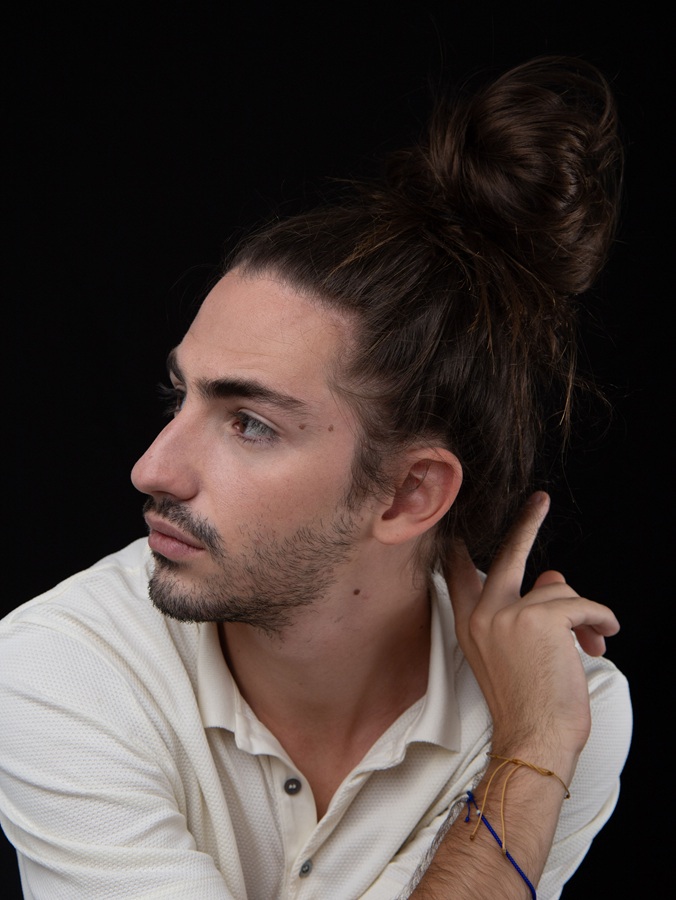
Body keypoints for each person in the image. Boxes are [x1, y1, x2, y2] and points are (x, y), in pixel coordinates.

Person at [0, 55, 632, 899]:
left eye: (250, 424)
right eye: (180, 396)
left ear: (409, 494)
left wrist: (538, 739)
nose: (152, 468)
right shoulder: (61, 669)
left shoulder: (562, 707)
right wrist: (532, 758)